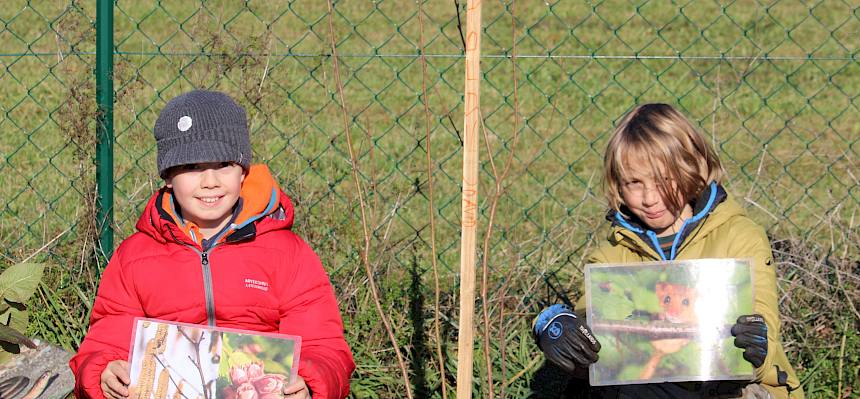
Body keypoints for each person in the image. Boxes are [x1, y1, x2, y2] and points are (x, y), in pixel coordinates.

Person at [69, 90, 355, 399]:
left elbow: (324, 346)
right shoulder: (134, 258)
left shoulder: (287, 254)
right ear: (168, 176)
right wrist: (103, 374)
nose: (210, 181)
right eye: (192, 167)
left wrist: (310, 384)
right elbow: (106, 342)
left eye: (224, 164)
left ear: (243, 171)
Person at [533, 104, 804, 398]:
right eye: (634, 183)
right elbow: (597, 344)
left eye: (663, 179)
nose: (650, 198)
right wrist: (555, 325)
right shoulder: (613, 253)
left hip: (734, 388)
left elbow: (766, 327)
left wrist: (757, 345)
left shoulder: (739, 236)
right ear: (617, 185)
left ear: (692, 167)